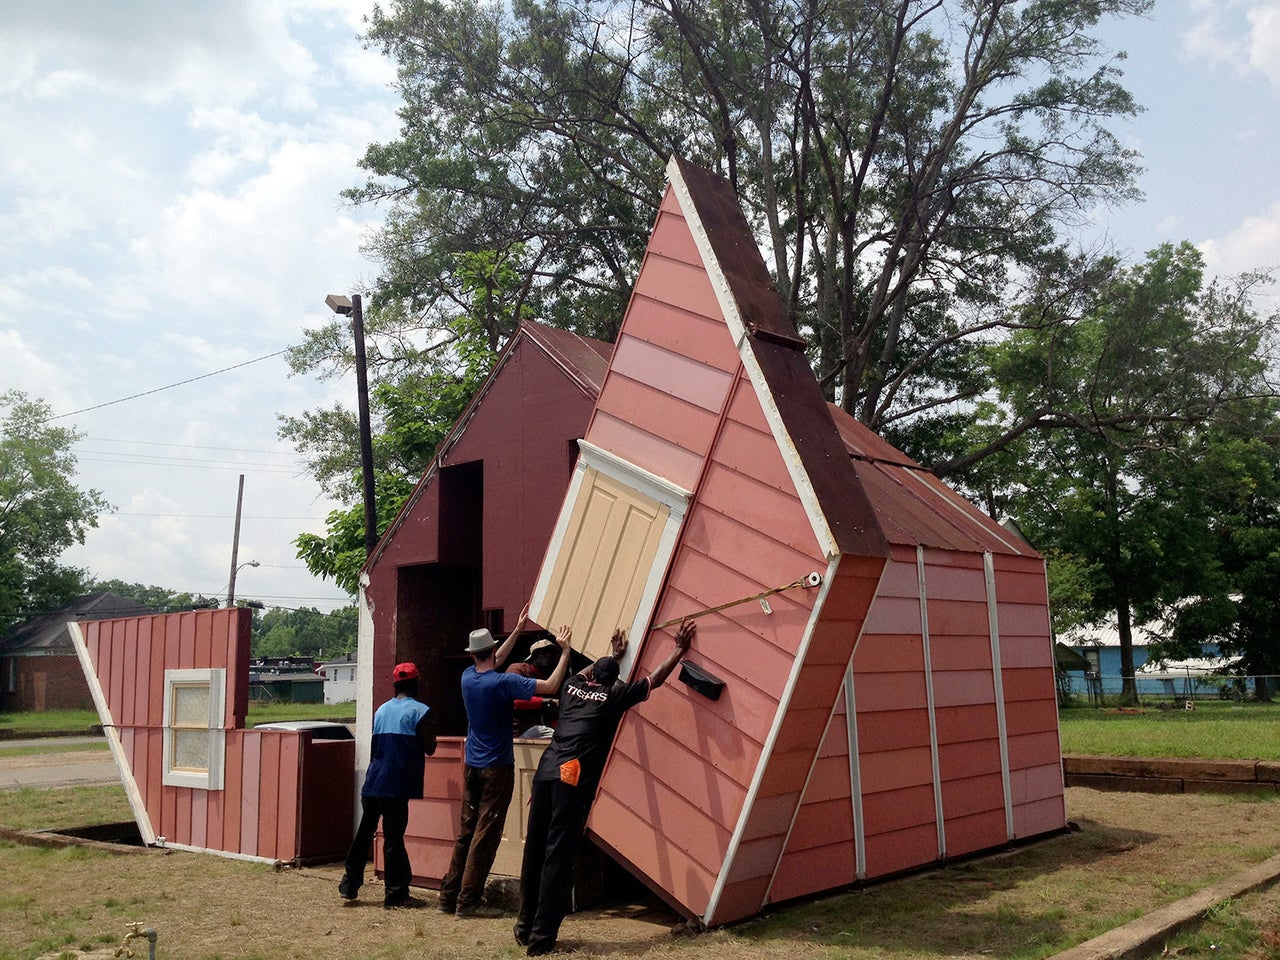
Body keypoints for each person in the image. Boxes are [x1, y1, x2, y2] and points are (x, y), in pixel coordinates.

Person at [514, 619, 695, 955]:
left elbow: (590, 674)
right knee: (557, 856)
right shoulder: (613, 696)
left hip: (546, 772)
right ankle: (541, 940)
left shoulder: (570, 686)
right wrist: (679, 649)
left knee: (534, 850)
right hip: (571, 779)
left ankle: (524, 927)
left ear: (593, 674)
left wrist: (612, 654)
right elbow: (653, 680)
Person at [439, 605, 572, 918]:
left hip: (472, 764)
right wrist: (565, 651)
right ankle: (468, 902)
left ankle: (449, 896)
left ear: (472, 654)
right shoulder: (503, 684)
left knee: (466, 832)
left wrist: (517, 629)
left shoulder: (468, 678)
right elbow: (552, 686)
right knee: (486, 834)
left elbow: (491, 662)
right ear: (493, 649)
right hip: (496, 768)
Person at [338, 661, 436, 909]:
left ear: (395, 684)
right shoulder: (420, 711)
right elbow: (430, 747)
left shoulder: (381, 710)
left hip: (374, 781)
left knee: (364, 833)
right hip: (396, 785)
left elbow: (376, 748)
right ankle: (396, 894)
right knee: (393, 839)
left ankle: (349, 885)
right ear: (416, 683)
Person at [509, 638, 562, 737]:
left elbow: (552, 714)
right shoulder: (519, 669)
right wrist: (545, 701)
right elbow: (514, 699)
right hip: (516, 732)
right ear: (534, 655)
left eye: (551, 653)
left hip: (534, 729)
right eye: (543, 652)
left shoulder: (549, 677)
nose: (548, 656)